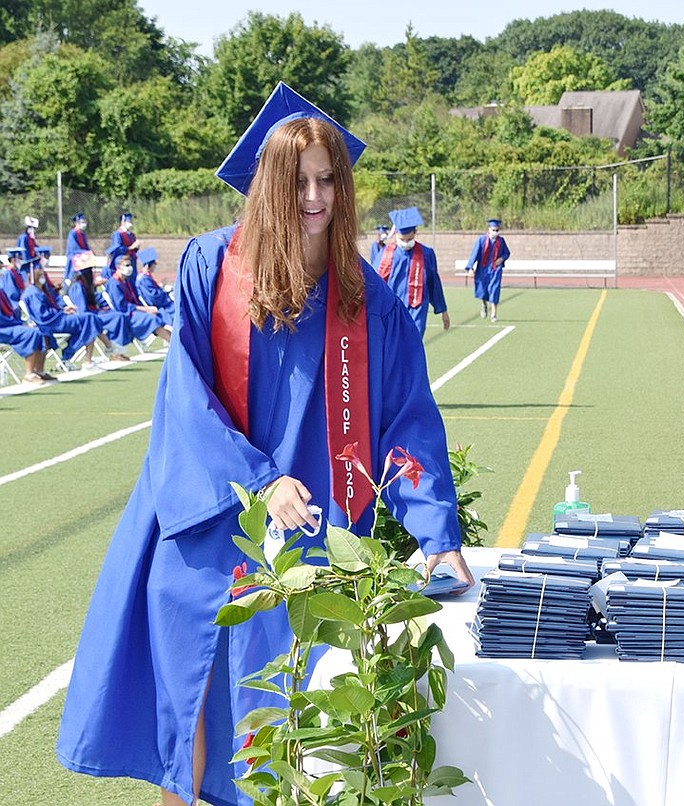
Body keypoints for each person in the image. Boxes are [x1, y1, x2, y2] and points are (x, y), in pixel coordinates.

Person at [56, 81, 473, 806]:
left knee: (289, 728)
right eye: (299, 182)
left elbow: (407, 422)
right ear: (267, 187)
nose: (315, 198)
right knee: (192, 714)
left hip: (315, 539)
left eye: (328, 182)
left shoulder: (365, 299)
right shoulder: (213, 268)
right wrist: (258, 480)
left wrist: (437, 533)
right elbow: (186, 399)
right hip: (209, 523)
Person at [375, 206, 450, 335]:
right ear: (396, 234)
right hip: (392, 310)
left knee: (414, 344)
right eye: (402, 240)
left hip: (417, 309)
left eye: (409, 240)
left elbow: (434, 283)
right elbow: (374, 283)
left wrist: (443, 310)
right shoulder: (385, 254)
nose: (405, 243)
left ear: (415, 232)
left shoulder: (426, 254)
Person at [105, 252, 173, 343]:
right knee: (153, 319)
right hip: (126, 315)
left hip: (135, 311)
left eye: (130, 264)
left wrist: (146, 309)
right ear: (118, 267)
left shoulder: (127, 281)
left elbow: (135, 299)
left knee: (159, 316)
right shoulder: (114, 283)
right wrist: (145, 309)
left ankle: (175, 341)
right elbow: (122, 306)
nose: (130, 267)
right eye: (127, 265)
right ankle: (173, 343)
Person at [0, 285, 53, 383]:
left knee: (39, 331)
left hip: (8, 325)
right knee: (30, 333)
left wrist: (22, 323)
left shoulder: (1, 290)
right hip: (3, 329)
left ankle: (38, 371)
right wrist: (19, 324)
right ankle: (29, 375)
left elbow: (10, 313)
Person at [465, 218, 509, 322]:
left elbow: (507, 253)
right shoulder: (481, 240)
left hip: (495, 269)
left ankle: (494, 314)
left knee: (494, 289)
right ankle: (484, 304)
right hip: (483, 269)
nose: (495, 232)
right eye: (493, 230)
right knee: (482, 290)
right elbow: (474, 254)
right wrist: (470, 268)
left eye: (497, 230)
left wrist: (501, 259)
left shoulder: (501, 241)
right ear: (489, 229)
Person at [135, 247, 176, 320]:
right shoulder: (143, 279)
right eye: (154, 264)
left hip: (162, 304)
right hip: (161, 308)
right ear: (148, 265)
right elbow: (154, 298)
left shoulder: (145, 277)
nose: (155, 266)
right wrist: (165, 292)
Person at [105, 211, 139, 280]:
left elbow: (133, 248)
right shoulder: (118, 234)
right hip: (122, 260)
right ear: (123, 222)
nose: (130, 222)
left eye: (131, 221)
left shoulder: (131, 235)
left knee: (133, 279)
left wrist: (136, 247)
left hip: (132, 259)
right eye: (128, 221)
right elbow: (117, 248)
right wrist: (130, 248)